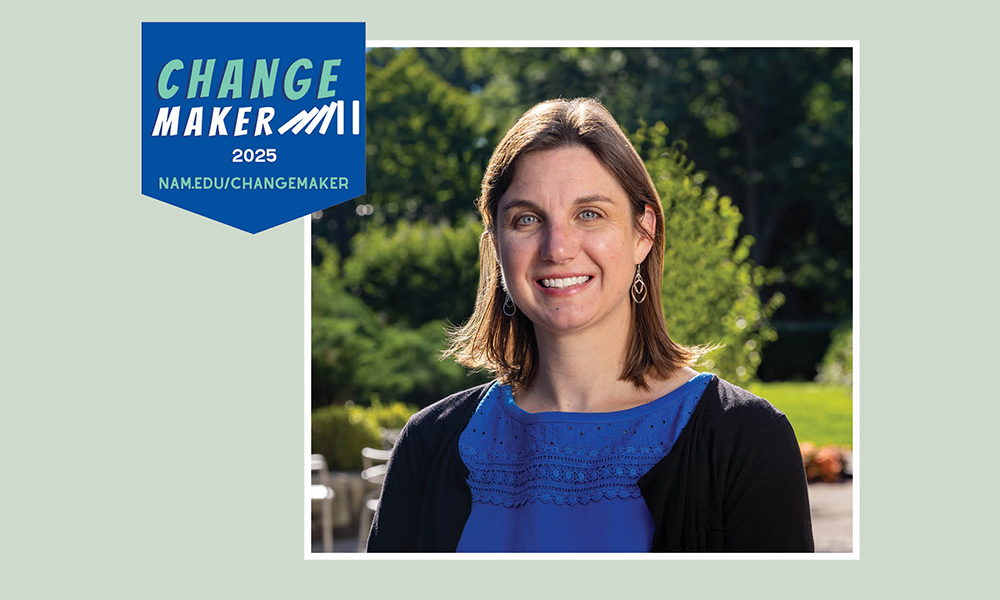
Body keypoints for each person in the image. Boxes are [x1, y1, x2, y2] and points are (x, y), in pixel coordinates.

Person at [367, 98, 813, 553]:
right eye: (526, 219)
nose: (557, 248)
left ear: (644, 233)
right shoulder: (428, 444)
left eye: (589, 214)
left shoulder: (746, 440)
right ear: (496, 245)